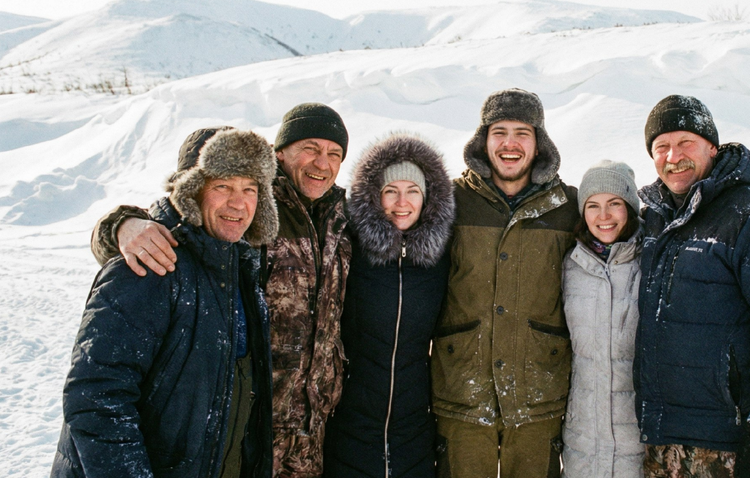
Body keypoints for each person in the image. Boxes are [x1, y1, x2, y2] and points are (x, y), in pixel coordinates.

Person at [90, 103, 353, 478]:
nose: (321, 163)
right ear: (280, 153)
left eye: (334, 153)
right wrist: (120, 225)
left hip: (311, 437)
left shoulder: (342, 220)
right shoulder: (255, 210)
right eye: (310, 147)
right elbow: (177, 222)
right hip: (249, 433)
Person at [51, 128, 278, 478]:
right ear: (190, 190)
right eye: (223, 186)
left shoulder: (239, 267)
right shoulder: (152, 261)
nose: (239, 203)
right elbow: (97, 398)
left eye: (250, 189)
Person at [634, 96, 750, 478]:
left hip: (728, 446)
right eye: (661, 147)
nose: (674, 156)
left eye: (686, 142)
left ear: (712, 147)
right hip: (660, 442)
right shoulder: (654, 220)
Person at [431, 88, 579, 477]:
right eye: (499, 132)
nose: (509, 144)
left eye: (522, 133)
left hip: (539, 393)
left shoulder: (569, 207)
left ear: (539, 142)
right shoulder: (448, 200)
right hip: (461, 389)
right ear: (483, 140)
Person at [323, 133, 454, 478]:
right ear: (374, 197)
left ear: (427, 199)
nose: (402, 202)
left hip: (414, 427)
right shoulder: (347, 242)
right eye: (390, 191)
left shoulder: (443, 256)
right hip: (350, 423)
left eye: (412, 191)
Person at [561, 160, 645, 477]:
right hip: (582, 438)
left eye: (614, 204)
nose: (603, 216)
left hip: (635, 441)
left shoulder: (649, 263)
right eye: (593, 206)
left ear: (630, 209)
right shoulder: (570, 265)